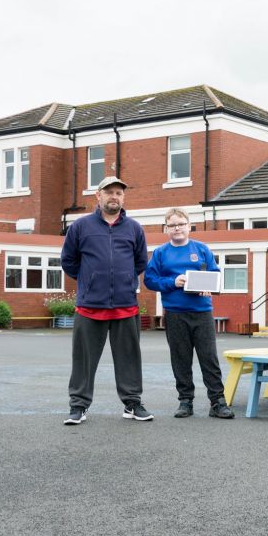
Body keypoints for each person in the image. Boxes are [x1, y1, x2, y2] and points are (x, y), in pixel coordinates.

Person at [61, 176, 151, 425]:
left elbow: (140, 262)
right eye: (109, 192)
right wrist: (89, 280)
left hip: (125, 306)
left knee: (130, 358)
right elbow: (68, 260)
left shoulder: (134, 228)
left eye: (119, 193)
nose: (114, 197)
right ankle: (78, 406)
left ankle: (132, 403)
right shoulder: (80, 227)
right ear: (98, 196)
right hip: (90, 307)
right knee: (83, 360)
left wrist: (124, 280)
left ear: (123, 198)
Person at [144, 208, 234, 419]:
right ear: (166, 228)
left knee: (209, 358)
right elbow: (149, 280)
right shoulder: (160, 253)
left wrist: (208, 286)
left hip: (202, 313)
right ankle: (185, 401)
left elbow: (215, 274)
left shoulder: (201, 249)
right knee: (181, 359)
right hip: (175, 314)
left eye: (181, 224)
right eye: (173, 225)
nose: (177, 228)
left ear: (189, 226)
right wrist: (172, 282)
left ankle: (218, 402)